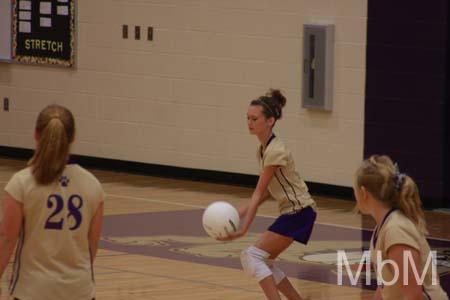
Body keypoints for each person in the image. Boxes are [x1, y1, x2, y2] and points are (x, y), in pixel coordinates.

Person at [218, 89, 317, 300]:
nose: (249, 123)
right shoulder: (263, 150)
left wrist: (242, 230)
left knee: (252, 257)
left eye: (254, 119)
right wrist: (238, 214)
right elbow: (267, 194)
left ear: (270, 120)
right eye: (248, 118)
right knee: (264, 262)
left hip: (299, 212)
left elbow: (258, 193)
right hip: (296, 212)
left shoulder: (275, 151)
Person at [0, 105, 104, 300]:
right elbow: (92, 245)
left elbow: (7, 239)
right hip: (79, 291)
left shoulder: (21, 183)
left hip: (33, 290)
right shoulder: (93, 185)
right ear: (73, 138)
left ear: (35, 135)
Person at [354, 155, 448, 300]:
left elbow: (414, 296)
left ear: (364, 192)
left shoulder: (396, 231)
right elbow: (386, 287)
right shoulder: (383, 226)